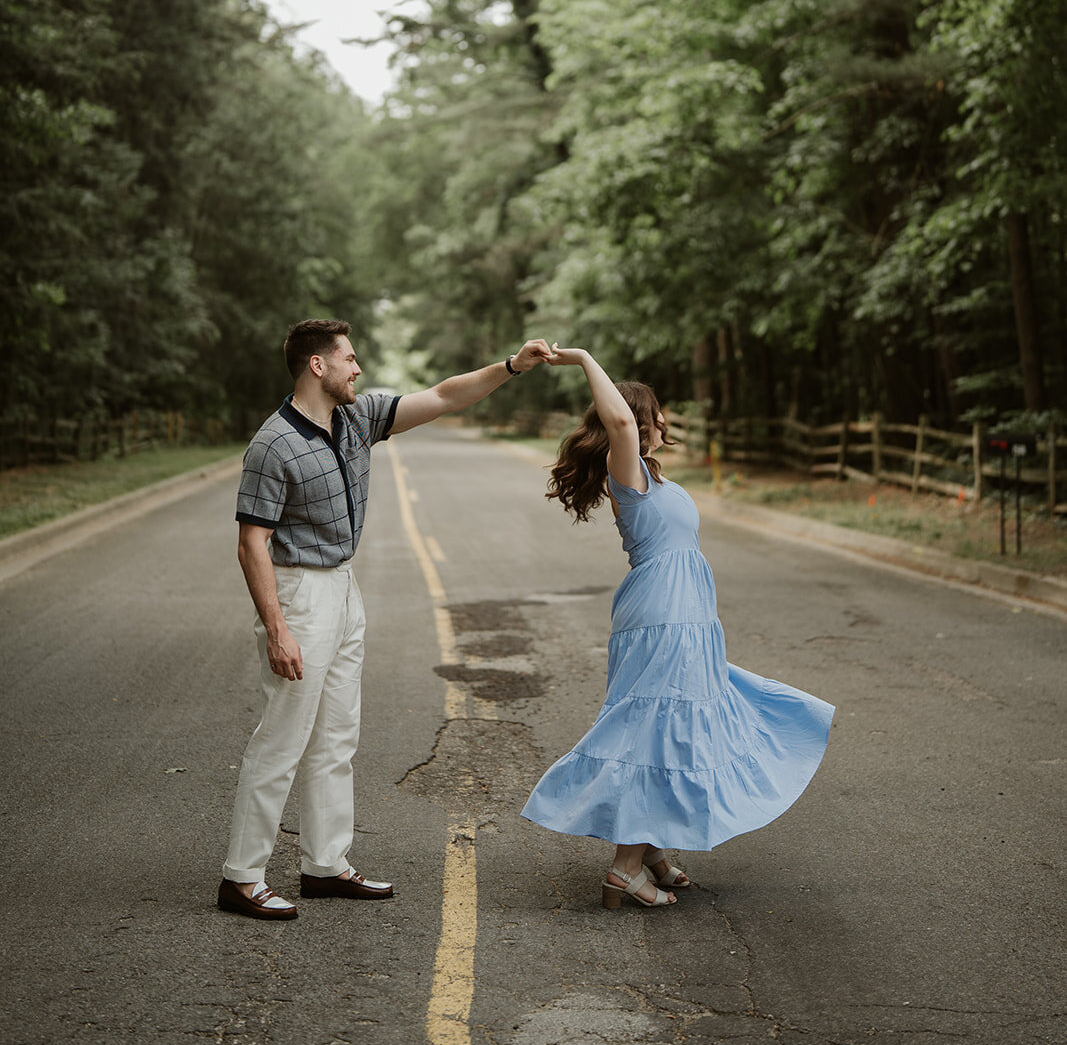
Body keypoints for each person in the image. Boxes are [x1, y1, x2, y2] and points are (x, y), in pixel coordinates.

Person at [218, 317, 553, 920]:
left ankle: (325, 864)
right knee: (284, 737)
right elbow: (252, 544)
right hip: (299, 593)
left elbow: (447, 395)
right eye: (349, 358)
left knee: (337, 737)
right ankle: (242, 877)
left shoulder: (357, 418)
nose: (358, 368)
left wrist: (511, 366)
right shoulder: (273, 444)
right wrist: (277, 627)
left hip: (344, 589)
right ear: (317, 365)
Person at [522, 345, 835, 910]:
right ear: (638, 423)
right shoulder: (628, 472)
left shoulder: (657, 480)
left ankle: (653, 851)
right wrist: (585, 358)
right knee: (658, 727)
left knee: (680, 723)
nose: (664, 420)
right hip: (661, 617)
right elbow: (616, 417)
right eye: (656, 413)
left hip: (687, 615)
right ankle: (624, 867)